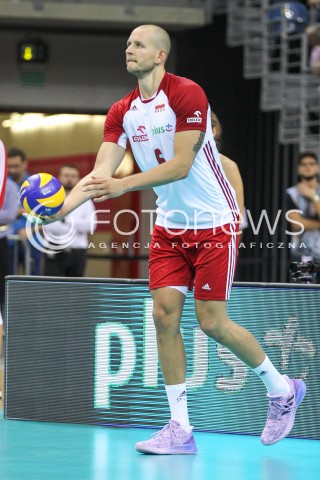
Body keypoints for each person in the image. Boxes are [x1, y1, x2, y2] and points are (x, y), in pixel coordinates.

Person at [26, 24, 306, 453]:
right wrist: (54, 213)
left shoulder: (187, 93)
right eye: (127, 44)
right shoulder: (121, 111)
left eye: (138, 44)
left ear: (159, 55)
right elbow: (100, 178)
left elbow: (179, 166)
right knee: (162, 317)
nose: (129, 49)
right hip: (171, 226)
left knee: (212, 322)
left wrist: (125, 185)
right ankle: (180, 428)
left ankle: (281, 389)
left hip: (215, 221)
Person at [42, 164, 97, 277]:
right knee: (52, 289)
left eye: (73, 176)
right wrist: (77, 225)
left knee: (75, 290)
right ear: (59, 177)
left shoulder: (86, 200)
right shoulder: (50, 199)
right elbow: (49, 226)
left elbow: (90, 226)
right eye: (66, 175)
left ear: (78, 179)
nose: (69, 179)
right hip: (54, 249)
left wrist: (64, 219)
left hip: (78, 251)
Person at [211, 111, 249, 237]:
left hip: (216, 240)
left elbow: (237, 218)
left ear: (213, 131)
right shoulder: (181, 165)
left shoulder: (228, 166)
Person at [7, 148, 42, 275]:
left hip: (32, 240)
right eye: (9, 166)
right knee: (8, 281)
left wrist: (30, 231)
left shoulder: (37, 185)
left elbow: (48, 216)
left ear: (24, 164)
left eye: (16, 166)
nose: (12, 170)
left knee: (33, 284)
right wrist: (15, 212)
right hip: (9, 241)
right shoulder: (4, 186)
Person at [286, 151, 320, 282]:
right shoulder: (291, 193)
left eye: (311, 164)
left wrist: (313, 196)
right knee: (305, 293)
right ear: (299, 169)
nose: (308, 167)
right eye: (304, 164)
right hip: (302, 252)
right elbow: (296, 224)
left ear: (317, 167)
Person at [0, 176, 20, 400]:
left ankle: (6, 350)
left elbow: (7, 215)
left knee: (3, 297)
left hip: (2, 245)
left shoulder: (11, 187)